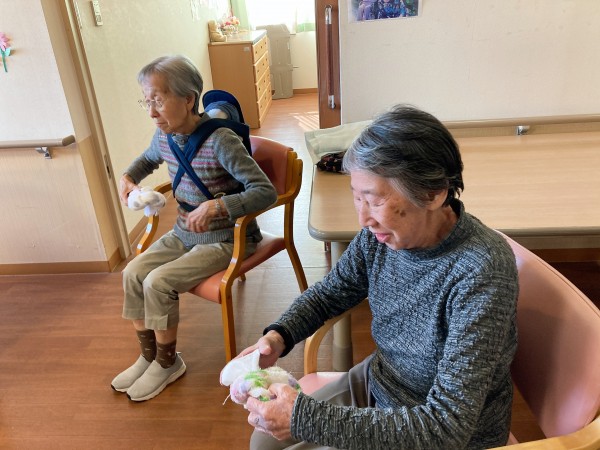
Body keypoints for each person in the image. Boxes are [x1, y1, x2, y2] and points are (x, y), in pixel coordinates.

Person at [240, 105, 519, 449]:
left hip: (438, 430)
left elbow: (447, 426)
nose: (363, 219)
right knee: (263, 441)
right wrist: (280, 335)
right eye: (356, 197)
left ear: (433, 193)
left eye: (373, 200)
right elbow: (331, 293)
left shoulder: (482, 271)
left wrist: (306, 418)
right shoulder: (381, 236)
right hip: (382, 382)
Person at [111, 55, 277, 402]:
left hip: (227, 237)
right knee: (132, 273)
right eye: (146, 101)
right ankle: (148, 356)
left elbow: (265, 191)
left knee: (158, 282)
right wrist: (128, 177)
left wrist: (218, 206)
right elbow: (147, 159)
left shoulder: (221, 140)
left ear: (189, 99)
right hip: (184, 232)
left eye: (158, 100)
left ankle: (168, 362)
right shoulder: (165, 136)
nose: (151, 112)